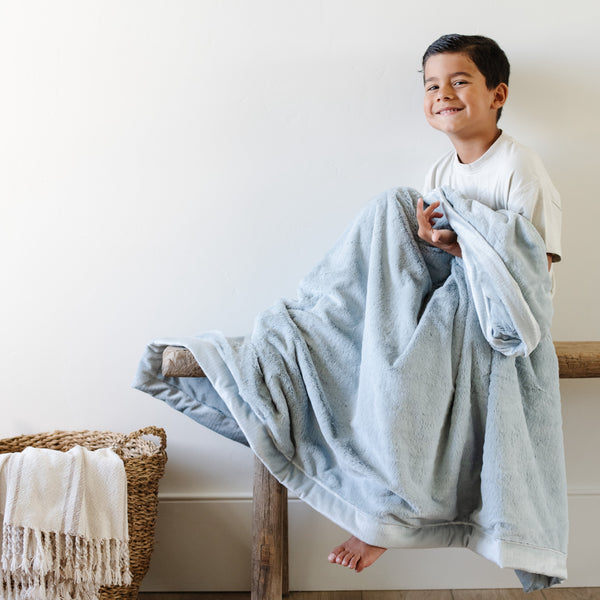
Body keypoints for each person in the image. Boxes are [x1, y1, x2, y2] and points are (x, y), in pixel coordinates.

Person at [328, 33, 562, 573]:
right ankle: (326, 319)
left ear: (497, 94)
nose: (443, 94)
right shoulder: (439, 173)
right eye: (432, 84)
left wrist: (468, 246)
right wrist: (439, 245)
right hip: (448, 301)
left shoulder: (520, 169)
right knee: (390, 212)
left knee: (408, 385)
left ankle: (392, 516)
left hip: (501, 316)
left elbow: (533, 264)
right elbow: (436, 249)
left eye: (460, 81)